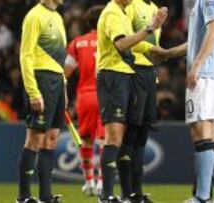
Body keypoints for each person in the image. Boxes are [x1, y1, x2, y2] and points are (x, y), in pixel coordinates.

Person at [96, 0, 167, 202]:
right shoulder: (112, 12)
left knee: (129, 135)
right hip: (115, 76)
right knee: (117, 137)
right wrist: (150, 28)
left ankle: (123, 194)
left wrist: (162, 52)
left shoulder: (123, 12)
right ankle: (111, 194)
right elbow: (122, 43)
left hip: (127, 75)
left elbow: (134, 42)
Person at [166, 0, 214, 202]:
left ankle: (202, 197)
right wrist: (167, 54)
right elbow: (199, 40)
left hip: (206, 76)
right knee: (213, 137)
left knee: (201, 133)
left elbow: (213, 32)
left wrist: (197, 65)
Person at [17, 0, 67, 202]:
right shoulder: (34, 16)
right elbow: (25, 55)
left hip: (56, 79)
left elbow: (58, 58)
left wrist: (63, 84)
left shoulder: (57, 16)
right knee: (35, 139)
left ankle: (45, 196)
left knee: (51, 138)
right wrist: (33, 91)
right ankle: (24, 197)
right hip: (41, 79)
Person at [116, 0, 161, 202]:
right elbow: (126, 41)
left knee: (142, 134)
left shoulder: (154, 8)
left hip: (150, 74)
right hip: (134, 73)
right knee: (130, 133)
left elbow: (154, 45)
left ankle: (138, 192)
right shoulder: (130, 6)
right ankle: (127, 193)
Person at [64, 5, 105, 196]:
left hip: (85, 96)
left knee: (87, 140)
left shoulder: (77, 43)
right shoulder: (112, 41)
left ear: (88, 22)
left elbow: (67, 71)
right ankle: (101, 183)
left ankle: (88, 182)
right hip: (105, 95)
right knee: (105, 141)